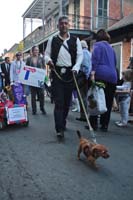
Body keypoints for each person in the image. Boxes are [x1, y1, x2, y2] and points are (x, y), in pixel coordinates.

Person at [45, 15, 83, 138]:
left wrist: (76, 68)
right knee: (59, 102)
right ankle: (59, 129)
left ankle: (63, 122)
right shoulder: (53, 39)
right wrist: (49, 60)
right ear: (58, 26)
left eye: (66, 23)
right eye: (61, 23)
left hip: (70, 74)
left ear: (69, 25)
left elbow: (80, 56)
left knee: (67, 103)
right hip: (57, 74)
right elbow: (46, 55)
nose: (64, 25)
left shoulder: (75, 40)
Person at [89, 29, 117, 132]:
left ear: (98, 38)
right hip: (112, 76)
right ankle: (104, 125)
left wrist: (92, 73)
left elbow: (95, 60)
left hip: (101, 75)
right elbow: (115, 62)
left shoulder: (97, 46)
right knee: (108, 102)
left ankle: (93, 124)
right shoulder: (111, 48)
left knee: (95, 98)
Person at [26, 46, 46, 115]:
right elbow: (27, 69)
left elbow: (44, 68)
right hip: (32, 80)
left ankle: (42, 108)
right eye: (35, 50)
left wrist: (44, 76)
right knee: (33, 96)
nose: (36, 51)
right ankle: (34, 110)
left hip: (40, 80)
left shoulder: (41, 59)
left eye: (37, 50)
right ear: (32, 51)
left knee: (41, 94)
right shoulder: (29, 59)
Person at [76, 40, 92, 121]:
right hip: (86, 77)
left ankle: (84, 116)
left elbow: (85, 67)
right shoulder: (89, 53)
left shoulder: (83, 53)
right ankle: (84, 115)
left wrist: (85, 76)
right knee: (84, 96)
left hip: (83, 77)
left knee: (82, 97)